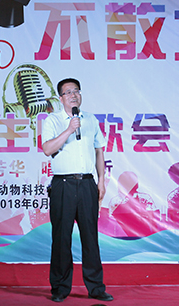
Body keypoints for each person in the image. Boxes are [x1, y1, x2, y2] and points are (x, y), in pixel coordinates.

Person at [42, 78, 113, 303]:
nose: (73, 95)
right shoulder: (52, 120)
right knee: (61, 238)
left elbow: (99, 151)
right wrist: (69, 129)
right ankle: (60, 288)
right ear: (60, 98)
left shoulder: (90, 119)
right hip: (62, 185)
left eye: (76, 91)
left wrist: (101, 181)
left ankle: (96, 287)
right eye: (68, 92)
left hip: (87, 184)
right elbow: (47, 149)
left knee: (90, 237)